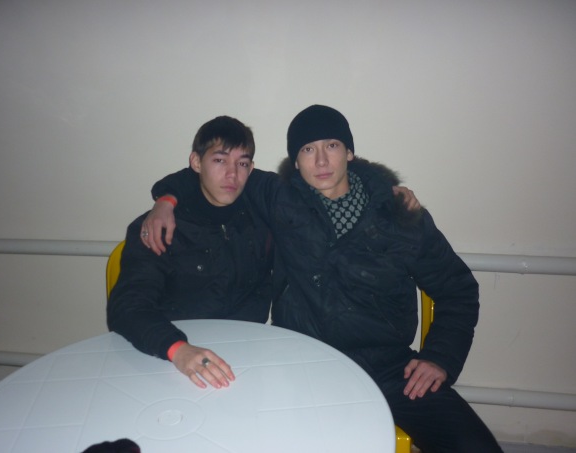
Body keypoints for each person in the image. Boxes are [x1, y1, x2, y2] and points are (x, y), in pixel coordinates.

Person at [142, 105, 503, 453]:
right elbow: (210, 173)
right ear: (295, 161)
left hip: (390, 369)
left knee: (475, 446)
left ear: (349, 153)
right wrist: (165, 201)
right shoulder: (279, 198)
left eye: (331, 146)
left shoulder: (399, 214)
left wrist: (439, 357)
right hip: (304, 367)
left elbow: (458, 290)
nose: (320, 161)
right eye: (307, 150)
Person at [107, 115, 275, 390]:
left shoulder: (262, 218)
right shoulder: (160, 228)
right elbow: (127, 307)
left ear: (251, 169)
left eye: (242, 163)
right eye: (219, 160)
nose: (232, 175)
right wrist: (177, 349)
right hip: (168, 361)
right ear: (196, 162)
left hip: (245, 359)